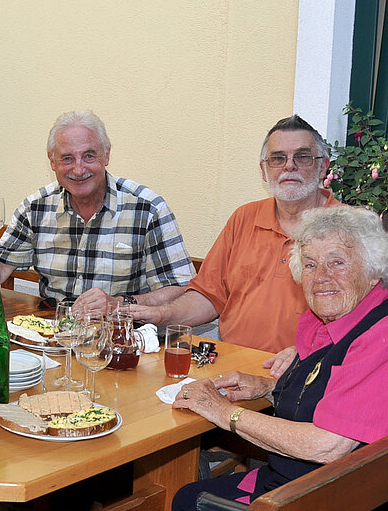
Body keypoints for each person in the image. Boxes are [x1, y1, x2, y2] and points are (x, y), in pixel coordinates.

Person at [168, 205, 388, 511]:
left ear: (373, 270)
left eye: (337, 262)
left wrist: (224, 413)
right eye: (311, 264)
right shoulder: (338, 320)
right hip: (337, 491)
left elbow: (327, 445)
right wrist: (269, 388)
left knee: (196, 508)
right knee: (189, 500)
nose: (321, 277)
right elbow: (337, 393)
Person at [129, 115, 342, 354]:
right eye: (278, 158)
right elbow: (209, 297)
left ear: (323, 167)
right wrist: (161, 314)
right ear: (264, 170)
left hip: (308, 368)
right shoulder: (244, 218)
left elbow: (361, 319)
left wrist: (304, 354)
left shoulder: (348, 228)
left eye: (302, 157)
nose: (289, 166)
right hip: (230, 362)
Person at [0, 110, 194, 315]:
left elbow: (183, 289)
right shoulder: (34, 208)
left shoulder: (148, 208)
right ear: (52, 161)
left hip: (121, 337)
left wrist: (119, 304)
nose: (78, 169)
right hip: (53, 333)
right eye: (67, 158)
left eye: (89, 156)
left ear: (106, 155)